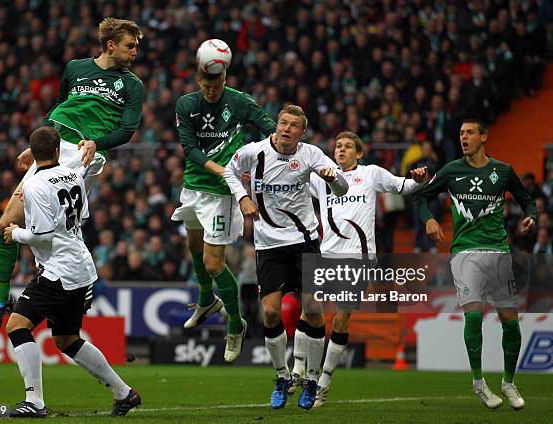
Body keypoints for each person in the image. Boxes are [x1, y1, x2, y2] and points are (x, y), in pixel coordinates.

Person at [0, 17, 144, 331]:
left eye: (136, 47)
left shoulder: (131, 84)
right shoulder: (75, 68)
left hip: (85, 151)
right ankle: (2, 299)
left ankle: (85, 282)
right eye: (130, 45)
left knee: (56, 223)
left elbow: (128, 129)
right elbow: (59, 107)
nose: (135, 52)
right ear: (111, 44)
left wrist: (97, 142)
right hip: (56, 147)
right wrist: (39, 146)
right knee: (7, 223)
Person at [3, 127, 140, 417]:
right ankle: (123, 393)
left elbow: (43, 236)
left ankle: (35, 402)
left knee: (16, 326)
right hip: (81, 267)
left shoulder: (34, 185)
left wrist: (15, 233)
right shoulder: (73, 174)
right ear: (56, 151)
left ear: (31, 152)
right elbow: (80, 217)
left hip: (58, 272)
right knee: (66, 338)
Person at [288, 131, 429, 406]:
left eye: (347, 146)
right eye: (337, 146)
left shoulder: (371, 174)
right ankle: (297, 370)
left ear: (359, 153)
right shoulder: (322, 177)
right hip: (326, 254)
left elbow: (404, 186)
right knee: (310, 309)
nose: (340, 150)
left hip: (358, 257)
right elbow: (294, 186)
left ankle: (323, 382)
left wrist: (421, 178)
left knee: (341, 318)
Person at [224, 105, 348, 410]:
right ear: (276, 125)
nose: (286, 129)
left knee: (313, 309)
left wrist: (332, 178)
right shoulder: (254, 152)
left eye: (294, 125)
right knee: (269, 313)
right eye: (283, 123)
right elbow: (229, 170)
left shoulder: (310, 154)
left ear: (301, 132)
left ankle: (312, 380)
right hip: (268, 245)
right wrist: (242, 198)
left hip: (304, 241)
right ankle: (282, 376)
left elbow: (342, 187)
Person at [414, 119, 536, 410]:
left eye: (470, 133)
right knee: (473, 317)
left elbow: (526, 199)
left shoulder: (503, 171)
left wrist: (530, 216)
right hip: (465, 253)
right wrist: (429, 219)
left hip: (498, 252)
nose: (464, 137)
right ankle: (479, 383)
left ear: (484, 137)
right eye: (461, 133)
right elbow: (421, 198)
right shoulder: (451, 170)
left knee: (512, 325)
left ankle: (508, 381)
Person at [171, 43, 277, 363]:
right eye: (206, 86)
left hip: (223, 191)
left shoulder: (239, 102)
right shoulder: (185, 105)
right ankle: (206, 299)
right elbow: (189, 149)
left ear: (225, 79)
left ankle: (235, 323)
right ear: (198, 81)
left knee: (214, 263)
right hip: (193, 186)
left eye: (216, 85)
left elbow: (268, 127)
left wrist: (259, 160)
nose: (211, 91)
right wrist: (214, 166)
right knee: (193, 248)